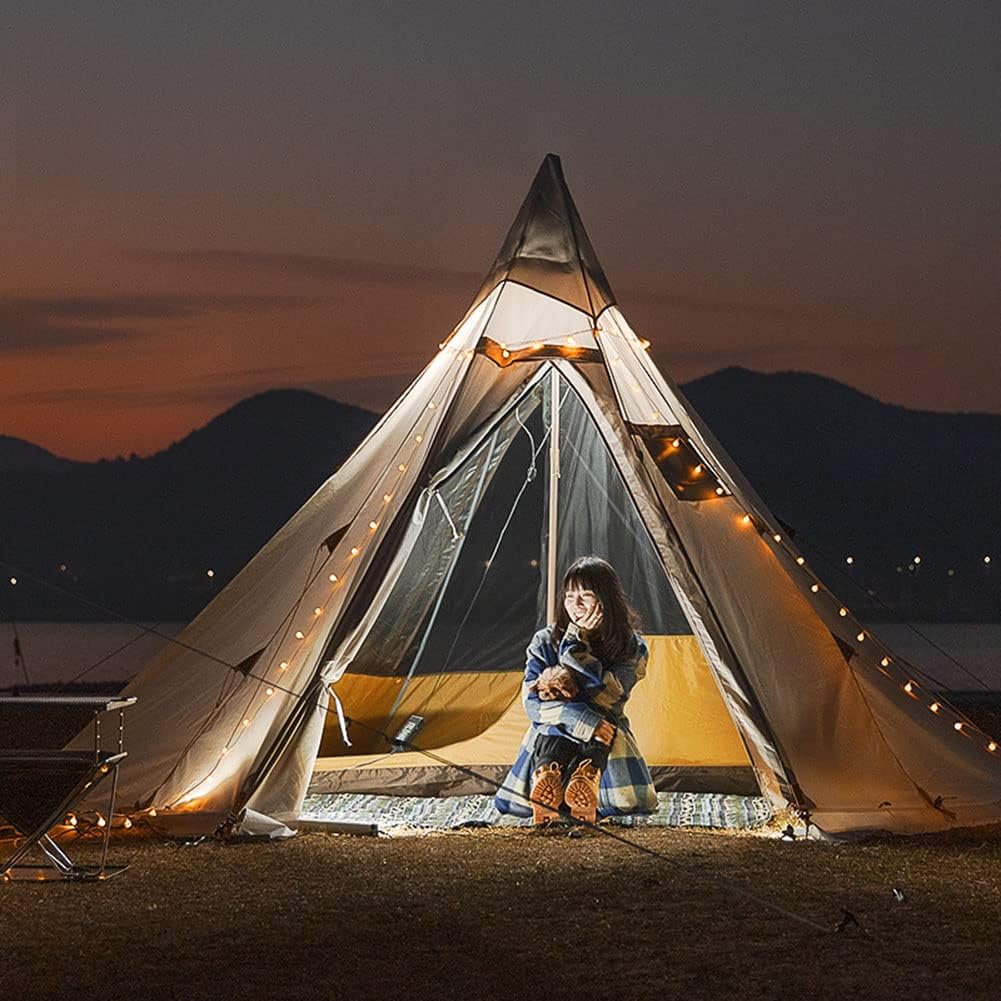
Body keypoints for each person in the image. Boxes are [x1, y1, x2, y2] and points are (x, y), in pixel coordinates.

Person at [494, 556, 657, 824]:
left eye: (586, 596)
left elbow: (606, 697)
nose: (575, 605)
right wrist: (580, 719)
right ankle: (548, 776)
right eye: (569, 596)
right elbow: (532, 704)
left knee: (602, 727)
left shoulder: (632, 648)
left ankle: (585, 780)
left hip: (603, 736)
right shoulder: (544, 640)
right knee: (556, 723)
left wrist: (574, 646)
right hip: (555, 732)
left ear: (605, 601)